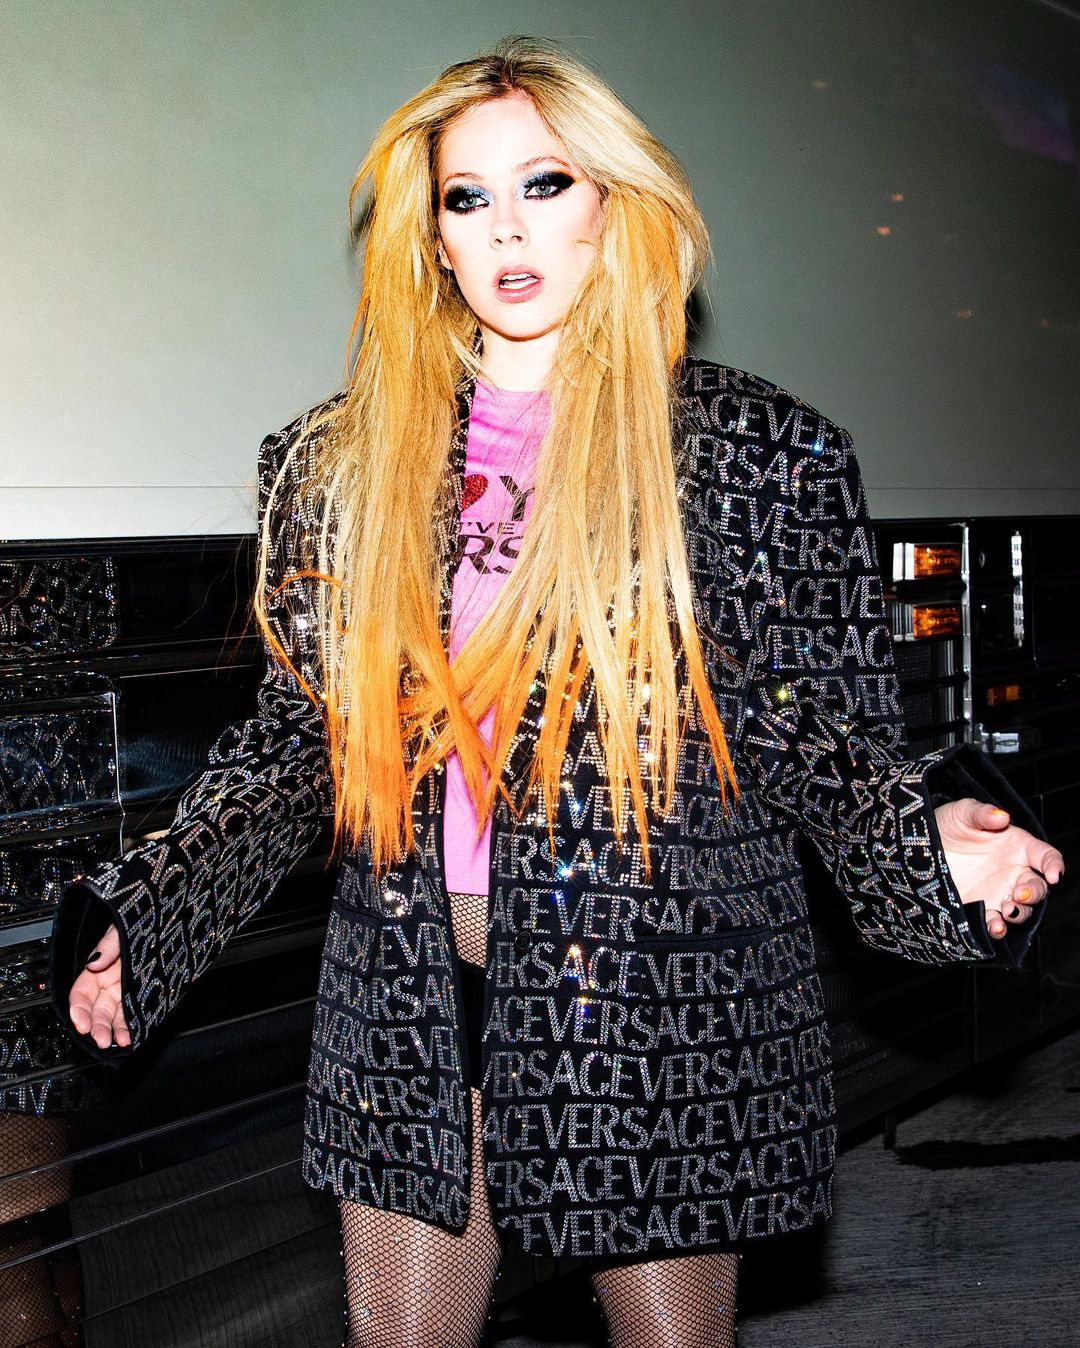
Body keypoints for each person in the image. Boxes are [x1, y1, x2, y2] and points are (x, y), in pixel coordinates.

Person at [50, 35, 1063, 1348]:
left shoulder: (752, 453)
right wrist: (155, 912)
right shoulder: (338, 464)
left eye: (545, 183)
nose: (507, 227)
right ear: (433, 239)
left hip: (648, 990)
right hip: (410, 995)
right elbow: (306, 735)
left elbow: (806, 723)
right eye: (467, 198)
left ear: (614, 202)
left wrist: (923, 832)